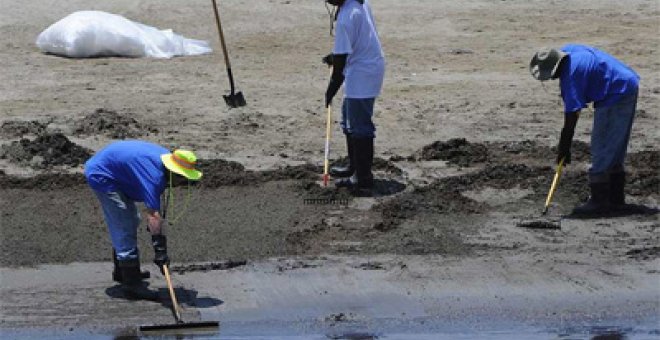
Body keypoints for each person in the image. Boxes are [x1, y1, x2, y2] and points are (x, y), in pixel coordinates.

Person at [530, 44, 639, 216]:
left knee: (602, 146)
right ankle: (616, 199)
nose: (553, 80)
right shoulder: (570, 51)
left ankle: (600, 202)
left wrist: (564, 147)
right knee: (614, 146)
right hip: (625, 81)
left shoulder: (571, 76)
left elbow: (572, 116)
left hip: (617, 92)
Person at [84, 141, 202, 300]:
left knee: (132, 220)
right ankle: (131, 285)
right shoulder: (154, 177)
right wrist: (160, 250)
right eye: (183, 179)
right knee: (124, 225)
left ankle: (122, 272)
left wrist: (160, 245)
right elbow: (153, 215)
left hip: (117, 170)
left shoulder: (165, 161)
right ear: (174, 172)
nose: (183, 183)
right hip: (103, 175)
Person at [323, 0, 385, 196]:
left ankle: (364, 178)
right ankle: (353, 167)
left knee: (360, 127)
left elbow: (340, 68)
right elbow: (355, 42)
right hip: (364, 67)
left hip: (363, 73)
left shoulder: (346, 17)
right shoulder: (356, 3)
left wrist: (331, 90)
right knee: (348, 121)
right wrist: (335, 56)